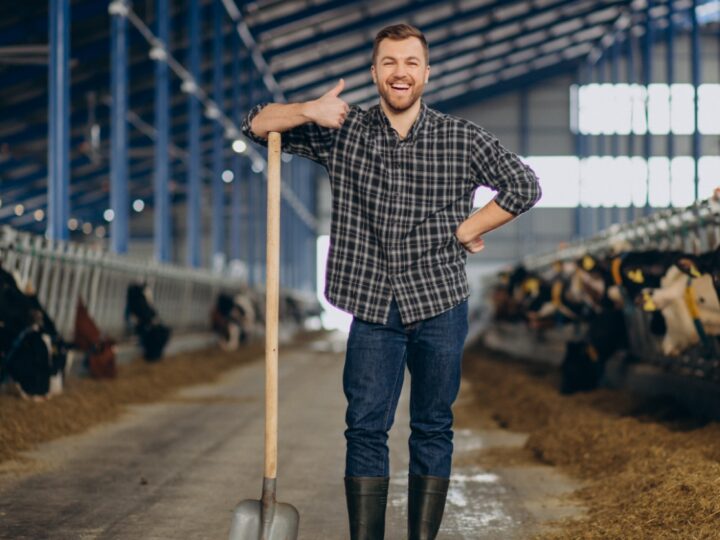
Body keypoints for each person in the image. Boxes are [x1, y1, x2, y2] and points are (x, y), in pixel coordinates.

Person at [242, 23, 541, 540]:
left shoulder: (461, 137)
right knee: (364, 429)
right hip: (373, 307)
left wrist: (470, 226)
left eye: (410, 62)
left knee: (432, 427)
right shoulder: (345, 130)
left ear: (426, 72)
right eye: (389, 63)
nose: (400, 72)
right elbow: (257, 123)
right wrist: (310, 110)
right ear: (374, 72)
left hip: (440, 302)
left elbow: (524, 184)